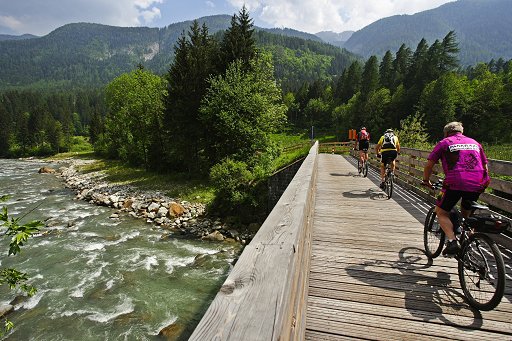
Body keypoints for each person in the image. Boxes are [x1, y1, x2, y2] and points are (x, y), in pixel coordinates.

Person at [422, 122, 490, 256]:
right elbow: (485, 167)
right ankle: (468, 240)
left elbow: (429, 165)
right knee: (467, 214)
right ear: (462, 131)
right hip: (478, 182)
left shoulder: (445, 142)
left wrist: (426, 180)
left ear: (446, 132)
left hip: (455, 182)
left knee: (441, 211)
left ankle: (453, 241)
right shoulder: (475, 143)